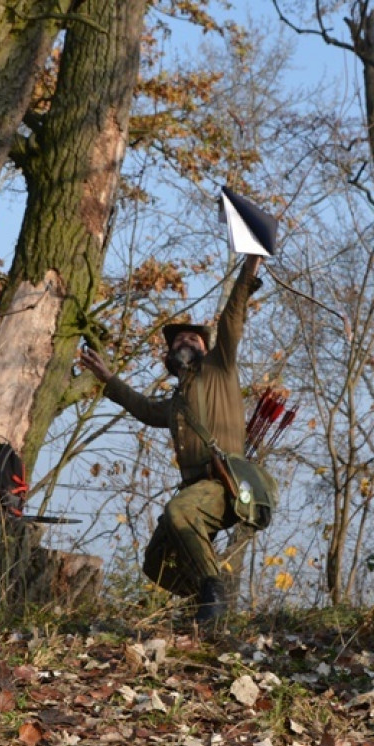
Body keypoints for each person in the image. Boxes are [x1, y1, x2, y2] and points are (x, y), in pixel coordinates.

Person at [79, 253, 264, 622]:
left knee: (180, 510)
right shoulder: (178, 402)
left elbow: (232, 319)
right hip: (197, 490)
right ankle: (205, 605)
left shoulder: (219, 369)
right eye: (179, 338)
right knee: (156, 562)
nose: (185, 340)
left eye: (194, 337)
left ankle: (214, 595)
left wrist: (248, 271)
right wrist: (108, 380)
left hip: (224, 485)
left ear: (207, 348)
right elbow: (146, 410)